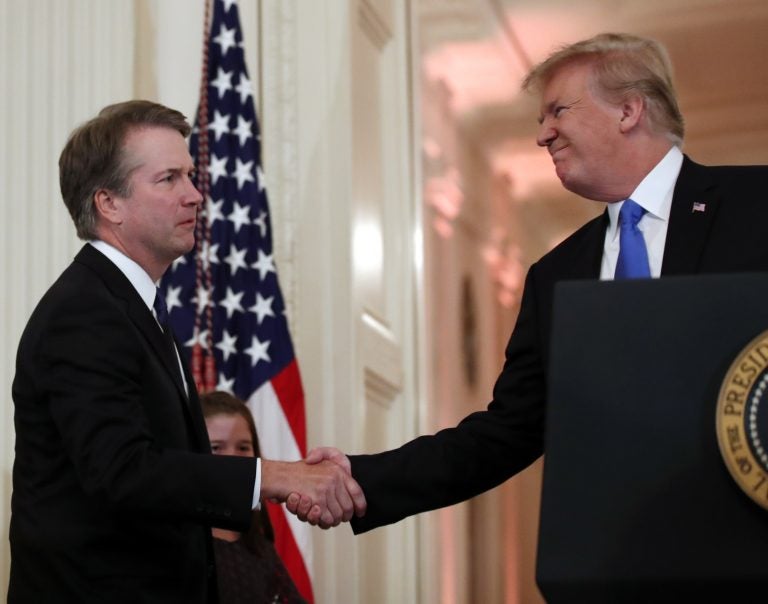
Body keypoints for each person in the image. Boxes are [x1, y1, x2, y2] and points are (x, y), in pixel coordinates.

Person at [290, 32, 768, 533]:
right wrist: (362, 477)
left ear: (628, 111)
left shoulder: (756, 207)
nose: (543, 135)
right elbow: (507, 433)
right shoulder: (556, 275)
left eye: (558, 111)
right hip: (617, 556)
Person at [9, 100, 365, 603]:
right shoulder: (84, 311)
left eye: (191, 176)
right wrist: (277, 477)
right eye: (169, 179)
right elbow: (123, 472)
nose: (195, 195)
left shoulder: (135, 307)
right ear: (109, 203)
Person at [201, 391, 306, 604]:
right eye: (216, 447)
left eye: (243, 447)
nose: (233, 459)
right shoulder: (180, 543)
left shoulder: (259, 548)